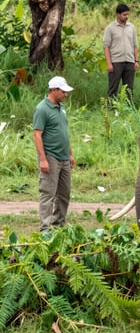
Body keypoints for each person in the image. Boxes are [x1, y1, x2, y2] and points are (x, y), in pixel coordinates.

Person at [33, 76, 75, 230]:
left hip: (64, 157)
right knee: (48, 194)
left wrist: (70, 154)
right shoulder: (42, 109)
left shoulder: (61, 107)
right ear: (54, 90)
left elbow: (64, 132)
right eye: (63, 91)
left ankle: (58, 226)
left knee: (64, 193)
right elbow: (37, 134)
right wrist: (43, 159)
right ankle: (45, 228)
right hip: (50, 156)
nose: (66, 94)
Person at [103, 3, 139, 98]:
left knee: (129, 89)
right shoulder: (110, 28)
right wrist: (109, 63)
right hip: (116, 62)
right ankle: (111, 109)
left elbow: (135, 45)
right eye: (124, 15)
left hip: (129, 61)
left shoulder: (131, 27)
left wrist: (136, 61)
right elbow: (106, 47)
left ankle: (128, 109)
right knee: (113, 88)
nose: (127, 17)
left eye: (128, 14)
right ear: (118, 14)